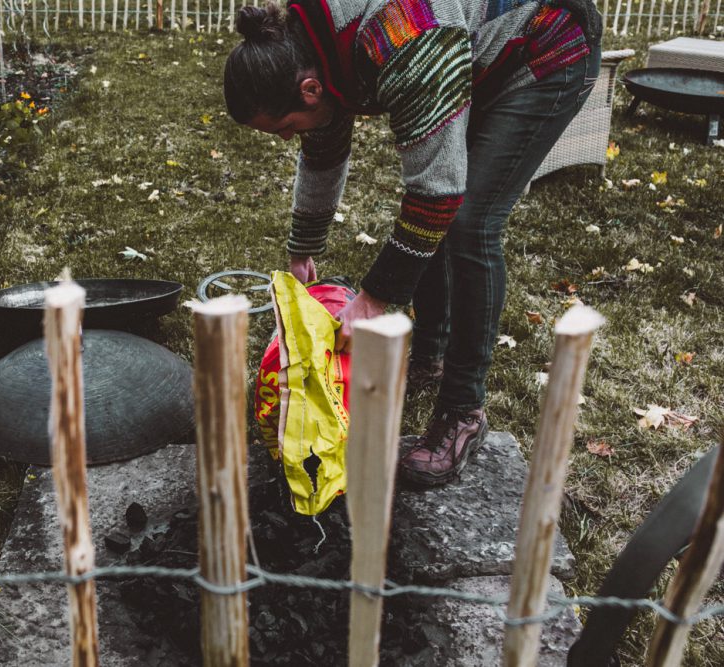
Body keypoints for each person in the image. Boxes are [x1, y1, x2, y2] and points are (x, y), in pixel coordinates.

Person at [224, 0, 602, 486]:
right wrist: (304, 246)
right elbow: (323, 149)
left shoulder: (405, 41)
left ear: (310, 89)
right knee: (440, 208)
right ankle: (430, 356)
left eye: (284, 127)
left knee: (468, 222)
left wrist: (373, 300)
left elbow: (438, 193)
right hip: (474, 51)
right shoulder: (310, 43)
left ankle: (464, 410)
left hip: (546, 47)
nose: (284, 139)